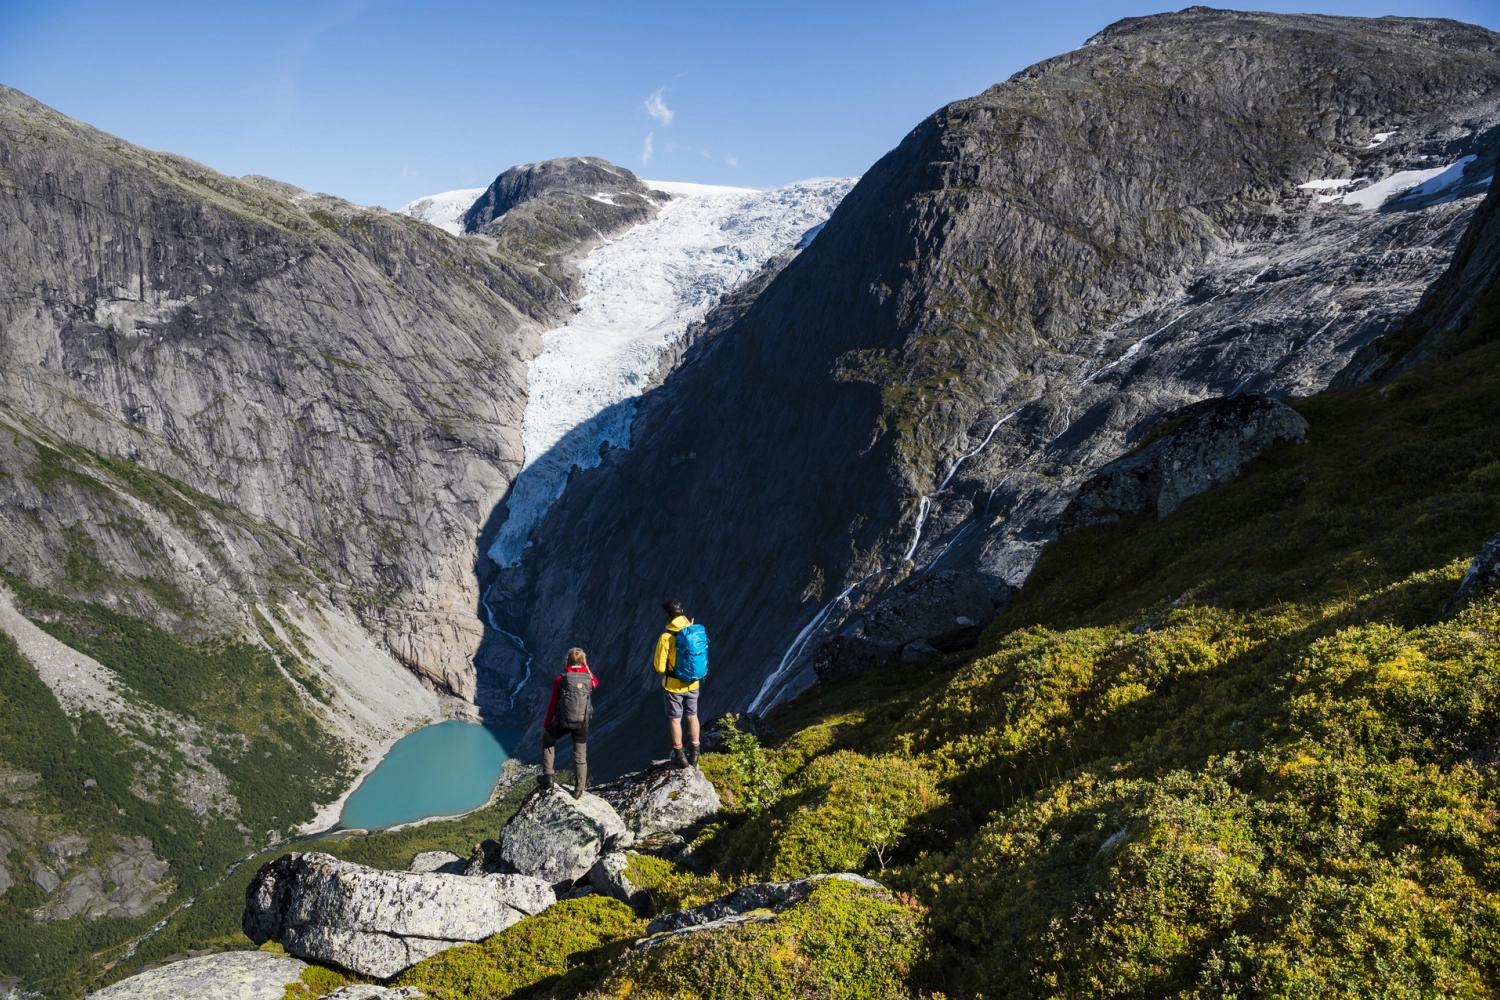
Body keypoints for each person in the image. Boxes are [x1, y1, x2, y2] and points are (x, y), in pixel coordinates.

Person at [654, 599, 707, 768]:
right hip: (693, 684)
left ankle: (680, 756)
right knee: (693, 717)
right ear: (682, 612)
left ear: (668, 616)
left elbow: (659, 667)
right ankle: (696, 754)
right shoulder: (693, 631)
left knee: (675, 720)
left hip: (673, 687)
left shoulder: (666, 637)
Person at [541, 647, 596, 799]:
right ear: (583, 661)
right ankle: (579, 789)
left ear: (568, 660)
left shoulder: (562, 678)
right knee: (580, 756)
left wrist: (547, 723)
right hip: (582, 723)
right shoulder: (589, 679)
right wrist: (586, 667)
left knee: (548, 740)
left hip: (562, 722)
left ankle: (548, 776)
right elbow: (595, 683)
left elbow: (553, 703)